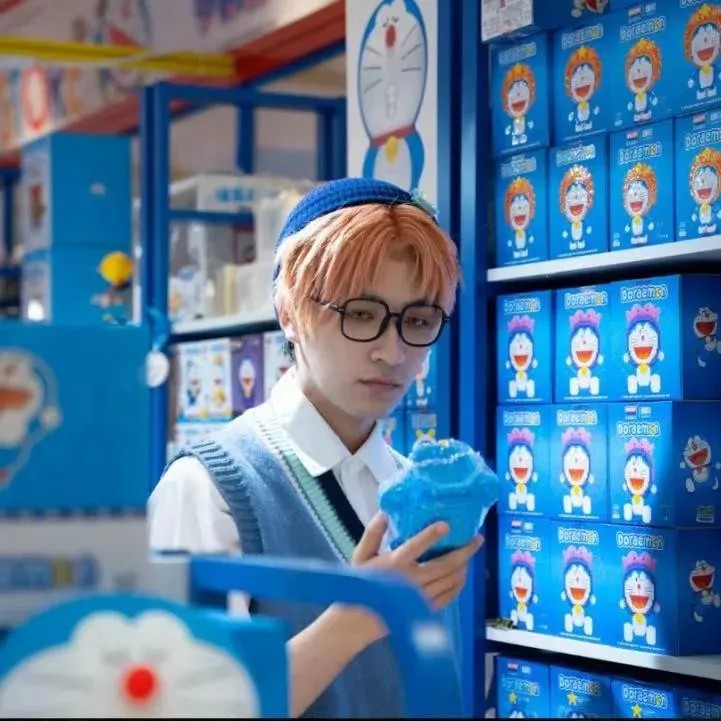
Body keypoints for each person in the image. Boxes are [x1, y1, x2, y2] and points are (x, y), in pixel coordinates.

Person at [148, 177, 483, 718]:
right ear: (289, 312)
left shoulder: (410, 487)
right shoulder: (209, 487)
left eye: (418, 320)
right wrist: (354, 620)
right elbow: (178, 705)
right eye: (361, 314)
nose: (393, 351)